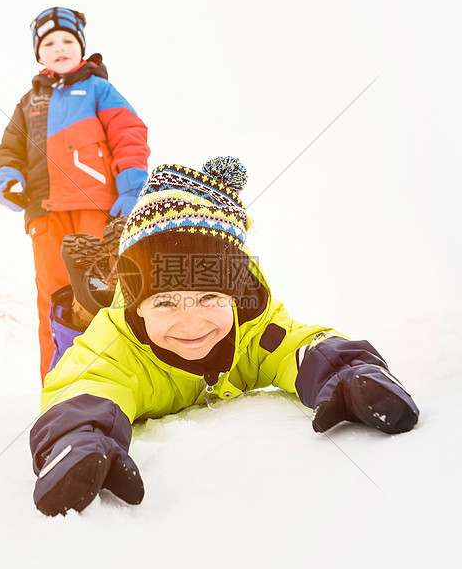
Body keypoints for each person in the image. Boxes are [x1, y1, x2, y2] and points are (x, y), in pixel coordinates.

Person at [28, 156, 421, 517]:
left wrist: (350, 372)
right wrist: (79, 438)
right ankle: (95, 277)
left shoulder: (252, 329)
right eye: (164, 301)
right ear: (137, 306)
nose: (191, 322)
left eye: (209, 297)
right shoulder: (116, 347)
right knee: (81, 318)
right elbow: (85, 385)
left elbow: (299, 346)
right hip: (106, 309)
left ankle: (115, 266)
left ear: (233, 296)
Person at [0, 7, 150, 382]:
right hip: (45, 215)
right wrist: (7, 178)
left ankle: (116, 375)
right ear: (38, 54)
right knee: (52, 296)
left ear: (80, 47)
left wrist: (130, 192)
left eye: (67, 40)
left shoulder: (98, 89)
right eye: (49, 43)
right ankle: (59, 382)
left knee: (101, 289)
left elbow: (130, 136)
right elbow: (9, 149)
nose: (59, 48)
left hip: (96, 207)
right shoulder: (29, 102)